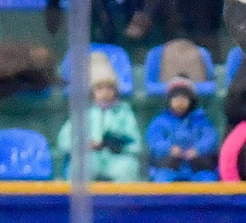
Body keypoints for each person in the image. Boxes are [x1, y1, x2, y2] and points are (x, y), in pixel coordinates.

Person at [57, 52, 140, 182]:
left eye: (109, 88)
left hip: (117, 158)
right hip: (90, 157)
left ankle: (122, 203)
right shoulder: (82, 112)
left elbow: (136, 143)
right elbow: (64, 140)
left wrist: (119, 146)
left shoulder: (124, 112)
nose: (105, 93)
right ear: (92, 91)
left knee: (129, 167)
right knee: (81, 165)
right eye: (99, 88)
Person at [143, 74, 216, 181]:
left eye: (184, 98)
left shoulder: (201, 120)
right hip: (168, 167)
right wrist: (169, 149)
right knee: (162, 180)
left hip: (197, 167)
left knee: (208, 180)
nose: (180, 102)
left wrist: (198, 149)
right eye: (176, 98)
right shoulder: (160, 121)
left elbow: (210, 138)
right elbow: (154, 140)